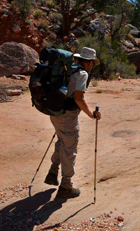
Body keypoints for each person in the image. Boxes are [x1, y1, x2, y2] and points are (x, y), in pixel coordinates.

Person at [44, 47, 102, 198]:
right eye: (92, 63)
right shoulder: (81, 74)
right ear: (88, 62)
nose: (92, 66)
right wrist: (91, 115)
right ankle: (66, 185)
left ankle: (53, 171)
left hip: (55, 112)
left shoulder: (66, 70)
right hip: (67, 116)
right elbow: (78, 98)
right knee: (69, 148)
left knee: (62, 141)